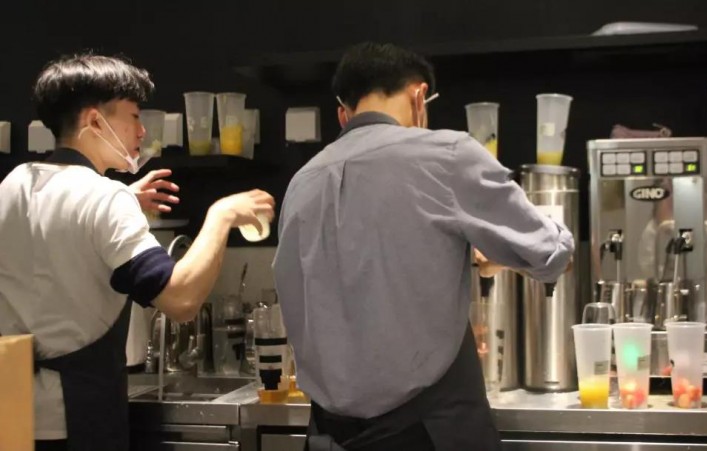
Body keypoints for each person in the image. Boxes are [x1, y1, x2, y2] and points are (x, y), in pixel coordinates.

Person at [273, 42, 574, 451]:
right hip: (428, 432)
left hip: (327, 432)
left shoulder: (301, 183)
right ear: (419, 97)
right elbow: (551, 254)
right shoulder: (447, 155)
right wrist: (506, 256)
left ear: (344, 114)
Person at [0, 53, 275, 451]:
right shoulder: (103, 197)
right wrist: (221, 215)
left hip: (13, 418)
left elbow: (54, 232)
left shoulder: (14, 183)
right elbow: (180, 299)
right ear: (95, 121)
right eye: (133, 116)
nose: (142, 131)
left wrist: (123, 200)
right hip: (77, 421)